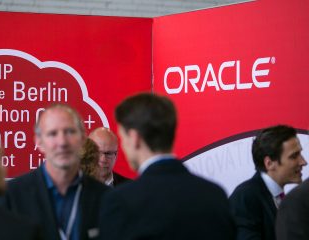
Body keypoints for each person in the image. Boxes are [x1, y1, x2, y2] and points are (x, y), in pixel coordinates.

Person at [99, 93, 235, 240]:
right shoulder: (214, 195)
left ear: (134, 138)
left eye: (123, 138)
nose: (124, 146)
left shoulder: (121, 201)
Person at [0, 104, 108, 240]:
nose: (62, 142)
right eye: (52, 134)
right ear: (39, 142)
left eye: (70, 132)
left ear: (82, 139)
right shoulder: (11, 196)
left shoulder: (105, 197)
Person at [229, 125, 307, 240]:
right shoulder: (245, 197)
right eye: (294, 156)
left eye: (300, 153)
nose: (303, 162)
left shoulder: (281, 198)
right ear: (269, 163)